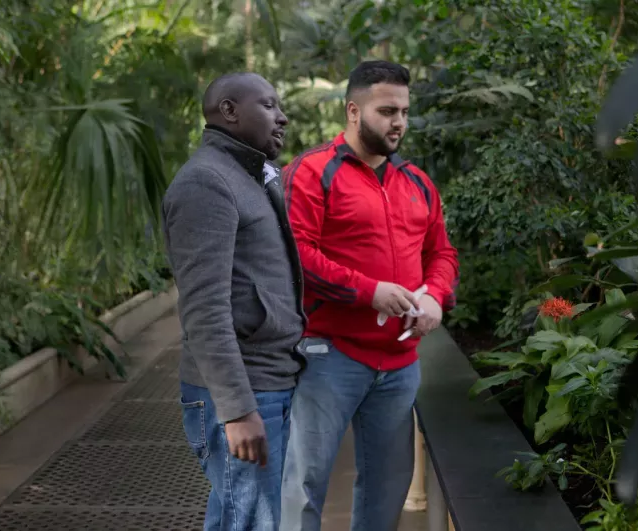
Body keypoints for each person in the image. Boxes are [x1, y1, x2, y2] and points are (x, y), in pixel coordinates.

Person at [279, 60, 459, 531]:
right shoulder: (311, 171)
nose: (398, 121)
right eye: (386, 110)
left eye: (403, 110)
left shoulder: (417, 181)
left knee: (387, 488)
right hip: (328, 355)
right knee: (302, 486)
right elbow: (297, 255)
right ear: (354, 112)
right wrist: (369, 292)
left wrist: (436, 297)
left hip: (400, 365)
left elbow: (442, 252)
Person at [161, 72, 307, 531]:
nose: (282, 117)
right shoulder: (206, 183)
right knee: (247, 522)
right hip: (244, 392)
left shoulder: (251, 177)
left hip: (269, 381)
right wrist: (237, 410)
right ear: (229, 111)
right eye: (268, 105)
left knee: (244, 519)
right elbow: (204, 310)